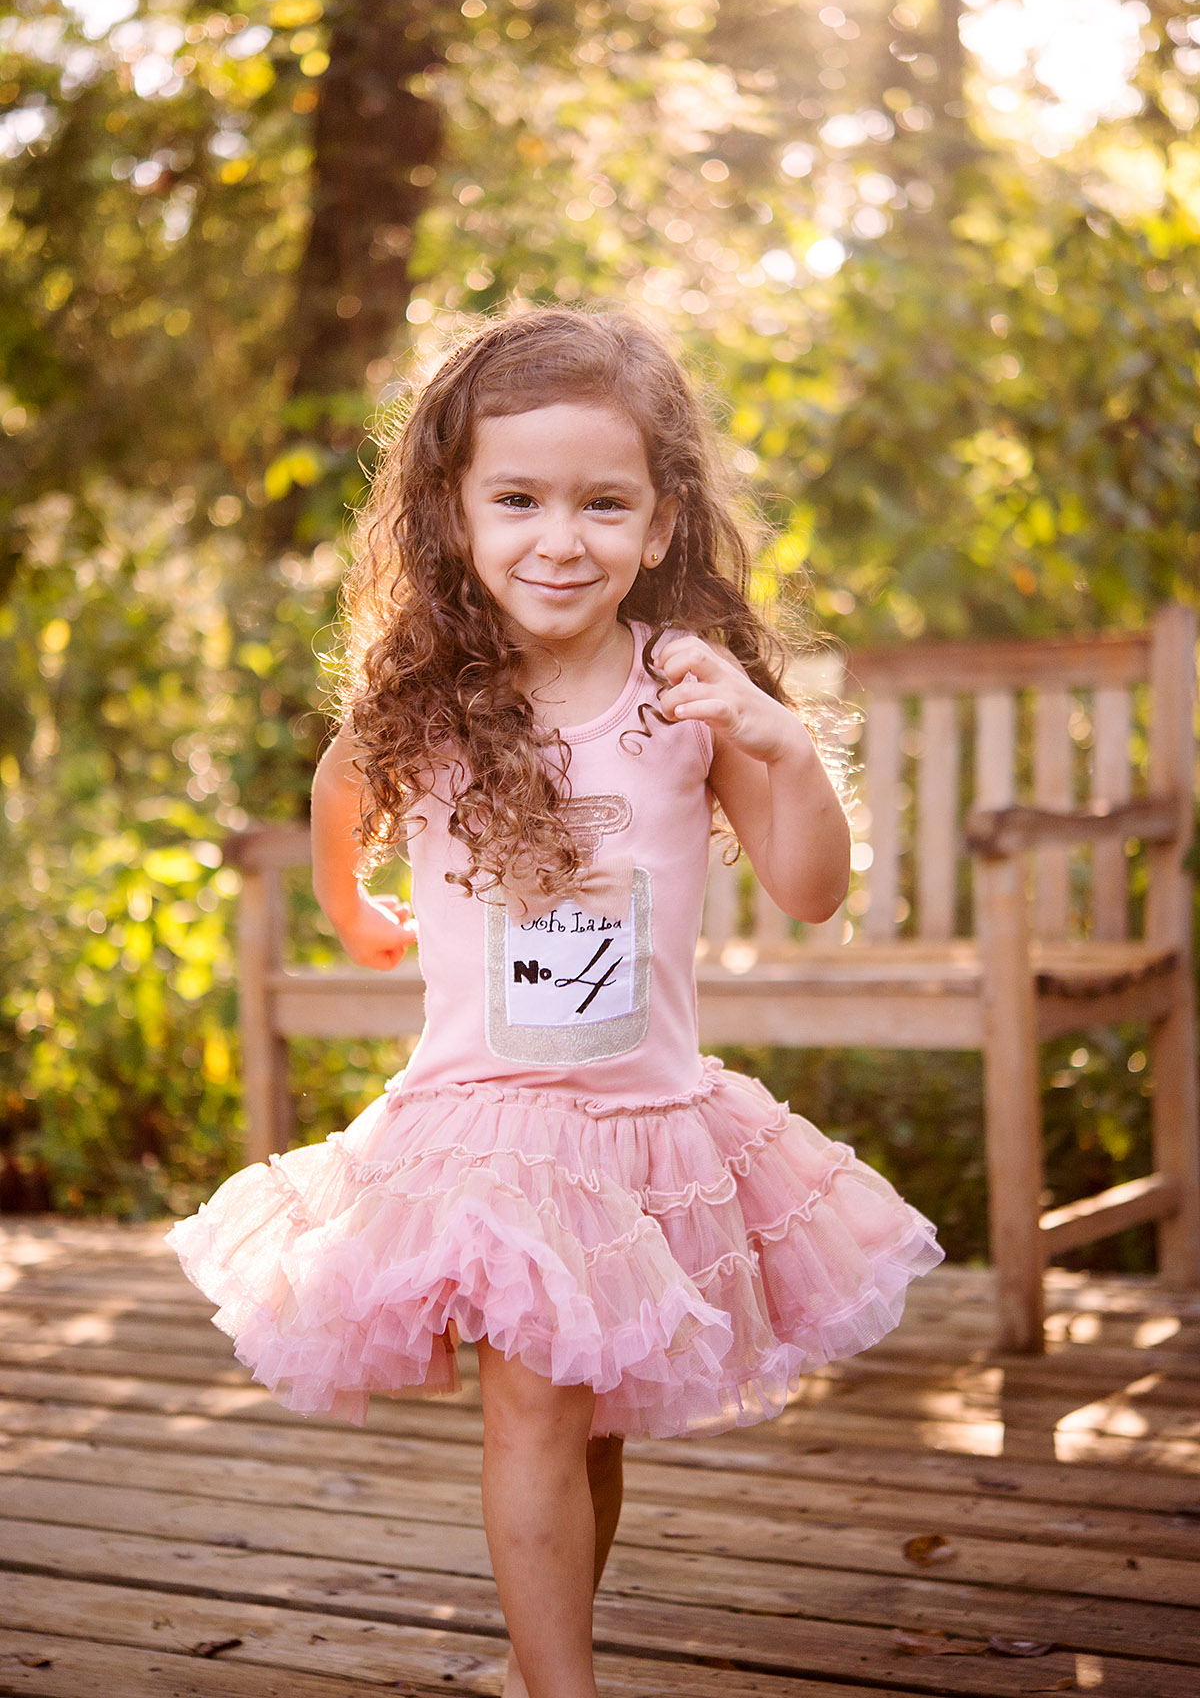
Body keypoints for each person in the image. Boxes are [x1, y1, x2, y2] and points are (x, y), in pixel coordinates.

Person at [166, 305, 943, 1698]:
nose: (559, 538)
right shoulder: (434, 700)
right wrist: (355, 911)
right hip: (485, 1130)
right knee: (530, 1403)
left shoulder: (686, 692)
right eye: (517, 499)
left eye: (603, 503)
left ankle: (542, 1666)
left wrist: (775, 739)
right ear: (454, 515)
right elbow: (343, 787)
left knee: (589, 1421)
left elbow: (814, 887)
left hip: (645, 1127)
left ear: (659, 525)